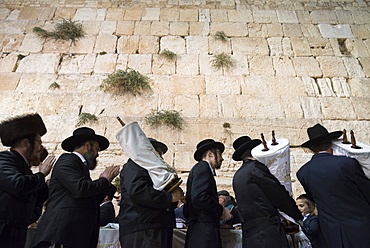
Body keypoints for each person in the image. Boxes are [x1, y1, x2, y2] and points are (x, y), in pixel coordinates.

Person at [32, 127, 120, 248]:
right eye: (97, 149)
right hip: (63, 232)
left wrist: (106, 182)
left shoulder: (80, 166)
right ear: (88, 146)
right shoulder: (67, 160)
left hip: (75, 235)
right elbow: (80, 189)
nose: (97, 154)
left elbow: (91, 199)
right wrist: (103, 180)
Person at [297, 123, 370, 248]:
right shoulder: (348, 163)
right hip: (360, 227)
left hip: (330, 231)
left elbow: (314, 198)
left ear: (312, 148)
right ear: (331, 144)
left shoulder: (302, 173)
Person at [232, 136, 302, 248]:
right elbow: (277, 193)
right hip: (267, 232)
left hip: (250, 234)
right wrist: (296, 215)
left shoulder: (238, 175)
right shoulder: (256, 168)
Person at [0, 113, 55, 248]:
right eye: (39, 143)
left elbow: (33, 201)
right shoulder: (5, 159)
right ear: (26, 143)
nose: (41, 148)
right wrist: (41, 175)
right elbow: (17, 184)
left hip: (16, 233)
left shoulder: (24, 167)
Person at [118, 137, 183, 248]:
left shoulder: (151, 171)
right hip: (144, 228)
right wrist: (169, 198)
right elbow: (138, 191)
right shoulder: (136, 164)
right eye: (158, 154)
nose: (161, 158)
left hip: (155, 226)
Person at [184, 139, 232, 248]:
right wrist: (221, 211)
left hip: (199, 229)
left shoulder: (200, 168)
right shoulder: (203, 167)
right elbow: (199, 197)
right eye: (219, 154)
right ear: (210, 154)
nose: (222, 158)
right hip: (204, 231)